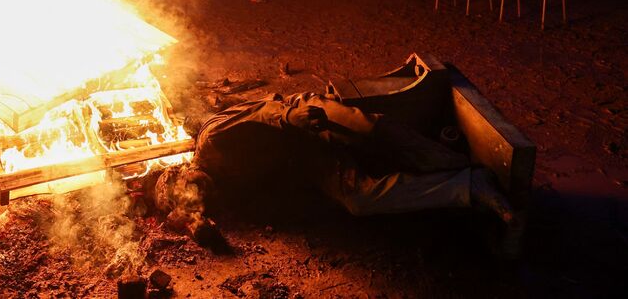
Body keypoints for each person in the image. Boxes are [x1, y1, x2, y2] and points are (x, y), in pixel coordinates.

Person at [154, 91, 520, 252]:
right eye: (190, 200)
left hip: (306, 118)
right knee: (360, 199)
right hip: (311, 159)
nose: (194, 193)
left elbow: (262, 112)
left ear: (180, 170)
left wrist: (289, 116)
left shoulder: (212, 141)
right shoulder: (228, 191)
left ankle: (462, 162)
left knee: (375, 132)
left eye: (183, 186)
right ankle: (469, 183)